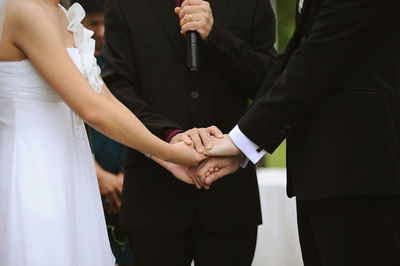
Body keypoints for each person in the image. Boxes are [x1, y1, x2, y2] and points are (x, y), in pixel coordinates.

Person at [193, 0, 400, 265]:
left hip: (361, 175)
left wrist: (241, 141)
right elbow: (291, 58)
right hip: (322, 176)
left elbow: (316, 61)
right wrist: (242, 144)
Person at [0, 0, 206, 265]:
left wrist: (164, 157)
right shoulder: (23, 8)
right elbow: (91, 109)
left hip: (71, 172)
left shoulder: (62, 14)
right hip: (32, 173)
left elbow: (106, 99)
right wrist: (169, 152)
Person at [101, 0, 277, 265]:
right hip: (153, 194)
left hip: (228, 194)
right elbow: (117, 87)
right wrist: (169, 135)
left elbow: (269, 83)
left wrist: (215, 35)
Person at [76, 0, 135, 264]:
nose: (100, 33)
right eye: (93, 24)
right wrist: (97, 174)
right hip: (85, 176)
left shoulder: (130, 64)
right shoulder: (69, 62)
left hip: (129, 182)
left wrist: (126, 175)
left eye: (105, 24)